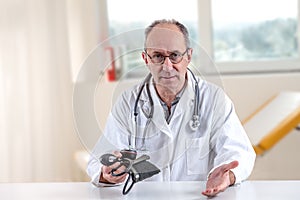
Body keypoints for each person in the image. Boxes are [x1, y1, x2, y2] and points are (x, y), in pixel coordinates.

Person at [87, 19, 256, 197]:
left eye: (175, 55)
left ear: (188, 56)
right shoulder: (128, 102)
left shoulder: (214, 100)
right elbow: (100, 160)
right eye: (158, 56)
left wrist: (227, 175)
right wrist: (107, 173)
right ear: (146, 58)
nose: (167, 67)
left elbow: (238, 153)